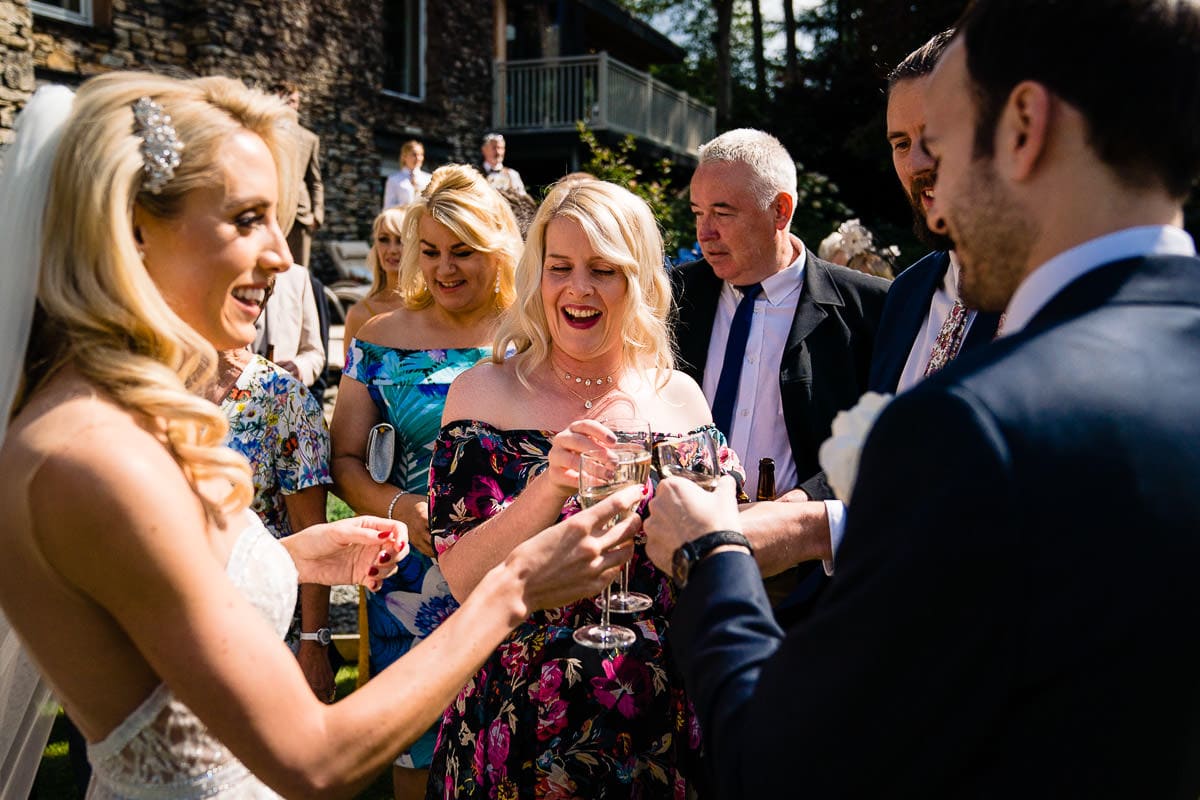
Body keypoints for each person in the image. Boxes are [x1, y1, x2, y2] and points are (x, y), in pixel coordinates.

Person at [0, 71, 641, 799]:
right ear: (131, 230)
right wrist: (514, 585)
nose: (282, 254)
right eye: (247, 218)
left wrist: (290, 558)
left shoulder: (103, 420)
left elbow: (153, 595)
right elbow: (313, 761)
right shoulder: (91, 454)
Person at [645, 0, 1200, 795]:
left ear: (1023, 127)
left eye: (938, 148)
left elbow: (784, 762)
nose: (928, 192)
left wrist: (711, 555)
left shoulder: (977, 426)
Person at [426, 176, 742, 798]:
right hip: (520, 721)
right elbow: (462, 579)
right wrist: (549, 487)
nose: (578, 289)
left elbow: (717, 553)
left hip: (664, 720)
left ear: (640, 281)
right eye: (560, 266)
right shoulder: (483, 393)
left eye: (603, 269)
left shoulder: (679, 396)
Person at [329, 165, 521, 800]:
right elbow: (345, 461)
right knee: (416, 750)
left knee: (517, 741)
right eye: (432, 251)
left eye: (463, 251)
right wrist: (401, 506)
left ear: (496, 248)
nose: (445, 269)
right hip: (411, 577)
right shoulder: (381, 339)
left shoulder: (534, 333)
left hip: (518, 567)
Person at [672, 128, 889, 612]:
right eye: (697, 213)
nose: (703, 233)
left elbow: (882, 440)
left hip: (802, 582)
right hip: (676, 561)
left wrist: (800, 508)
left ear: (781, 211)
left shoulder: (869, 310)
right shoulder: (669, 297)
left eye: (723, 213)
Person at [208, 346, 336, 702]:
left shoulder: (284, 397)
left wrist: (315, 645)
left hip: (264, 634)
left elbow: (312, 530)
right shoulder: (152, 388)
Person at [342, 205, 409, 357]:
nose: (392, 249)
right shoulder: (359, 314)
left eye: (401, 240)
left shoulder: (434, 308)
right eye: (384, 239)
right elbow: (348, 379)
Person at [273, 81, 324, 268]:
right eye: (286, 100)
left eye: (294, 101)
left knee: (299, 271)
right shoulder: (262, 131)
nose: (291, 105)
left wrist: (317, 215)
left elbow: (315, 181)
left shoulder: (310, 139)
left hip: (301, 216)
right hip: (271, 212)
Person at [383, 139, 432, 209]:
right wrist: (404, 207)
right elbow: (387, 207)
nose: (418, 158)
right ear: (404, 156)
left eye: (421, 155)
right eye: (414, 154)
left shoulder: (429, 179)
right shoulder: (393, 179)